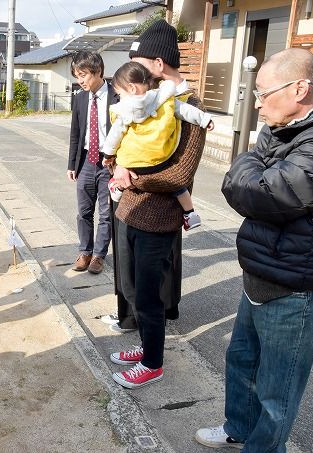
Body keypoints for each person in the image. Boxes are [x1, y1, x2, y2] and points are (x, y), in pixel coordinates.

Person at [195, 48, 313, 452]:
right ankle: (238, 428)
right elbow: (242, 174)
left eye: (264, 93)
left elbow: (262, 193)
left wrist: (253, 170)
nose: (257, 102)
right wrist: (253, 169)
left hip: (294, 283)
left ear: (300, 88)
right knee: (242, 361)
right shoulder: (281, 126)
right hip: (260, 270)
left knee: (277, 388)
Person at [106, 20, 207, 388]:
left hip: (159, 216)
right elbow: (122, 147)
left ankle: (153, 363)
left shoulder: (188, 105)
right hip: (129, 210)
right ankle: (146, 344)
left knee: (150, 293)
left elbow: (181, 173)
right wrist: (117, 165)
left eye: (141, 64)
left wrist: (133, 178)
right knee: (133, 288)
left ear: (159, 65)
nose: (135, 72)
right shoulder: (145, 100)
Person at [103, 62, 214, 231]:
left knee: (121, 180)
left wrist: (109, 156)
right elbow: (185, 110)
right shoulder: (165, 98)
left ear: (132, 88)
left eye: (120, 94)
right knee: (180, 190)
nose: (120, 98)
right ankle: (190, 213)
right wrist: (205, 119)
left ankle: (116, 187)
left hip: (135, 166)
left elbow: (114, 136)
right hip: (161, 159)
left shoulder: (125, 109)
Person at [67, 50, 119, 274]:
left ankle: (99, 256)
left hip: (109, 163)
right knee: (84, 211)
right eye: (77, 75)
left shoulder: (117, 95)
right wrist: (71, 164)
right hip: (87, 160)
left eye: (84, 75)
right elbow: (75, 133)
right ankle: (85, 252)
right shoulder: (79, 98)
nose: (80, 80)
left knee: (107, 213)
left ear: (98, 72)